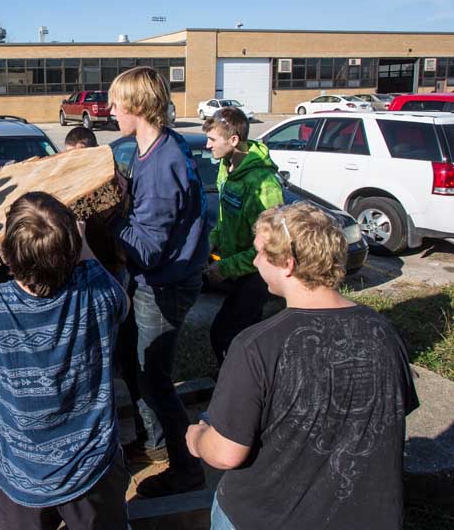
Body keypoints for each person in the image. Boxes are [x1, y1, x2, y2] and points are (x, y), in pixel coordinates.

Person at [187, 201, 419, 530]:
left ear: (288, 264)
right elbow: (391, 413)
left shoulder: (255, 346)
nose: (254, 262)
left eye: (260, 253)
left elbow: (225, 453)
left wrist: (197, 437)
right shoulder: (384, 332)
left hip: (265, 518)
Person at [0, 192, 130, 530]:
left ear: (7, 255)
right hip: (92, 468)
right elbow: (123, 304)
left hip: (21, 473)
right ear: (72, 251)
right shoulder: (96, 290)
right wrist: (83, 245)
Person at [108, 66, 210, 497]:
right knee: (133, 362)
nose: (110, 110)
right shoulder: (157, 149)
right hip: (157, 279)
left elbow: (146, 247)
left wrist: (105, 221)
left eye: (116, 102)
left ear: (134, 105)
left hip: (165, 284)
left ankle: (185, 469)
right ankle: (152, 444)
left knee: (156, 380)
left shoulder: (164, 161)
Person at [204, 106, 284, 366]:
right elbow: (224, 217)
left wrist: (226, 266)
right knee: (241, 338)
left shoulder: (264, 183)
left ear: (234, 140)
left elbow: (272, 246)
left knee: (224, 335)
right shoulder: (225, 167)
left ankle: (237, 393)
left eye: (212, 139)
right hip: (234, 270)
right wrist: (211, 241)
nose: (207, 145)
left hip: (255, 273)